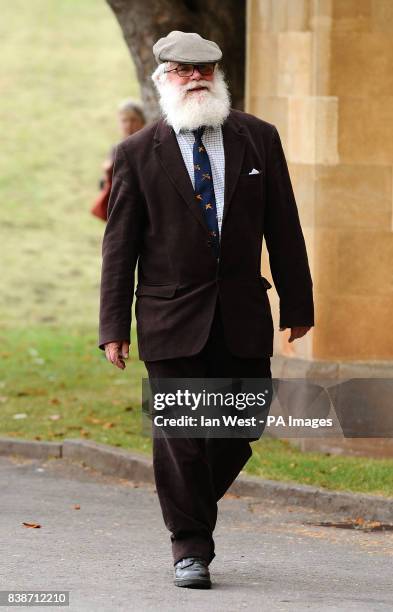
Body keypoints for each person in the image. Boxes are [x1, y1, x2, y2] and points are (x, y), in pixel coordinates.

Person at [98, 31, 314, 589]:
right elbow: (119, 248)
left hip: (242, 312)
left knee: (241, 425)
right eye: (182, 70)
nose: (196, 78)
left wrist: (298, 302)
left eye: (206, 70)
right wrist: (112, 327)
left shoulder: (259, 139)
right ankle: (189, 545)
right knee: (182, 434)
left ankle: (187, 502)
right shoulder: (136, 153)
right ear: (162, 80)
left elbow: (284, 227)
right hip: (169, 317)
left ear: (218, 76)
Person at [91, 98, 145, 221]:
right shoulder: (116, 149)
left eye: (133, 120)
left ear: (142, 121)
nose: (129, 125)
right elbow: (107, 184)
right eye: (124, 120)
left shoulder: (148, 147)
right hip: (121, 208)